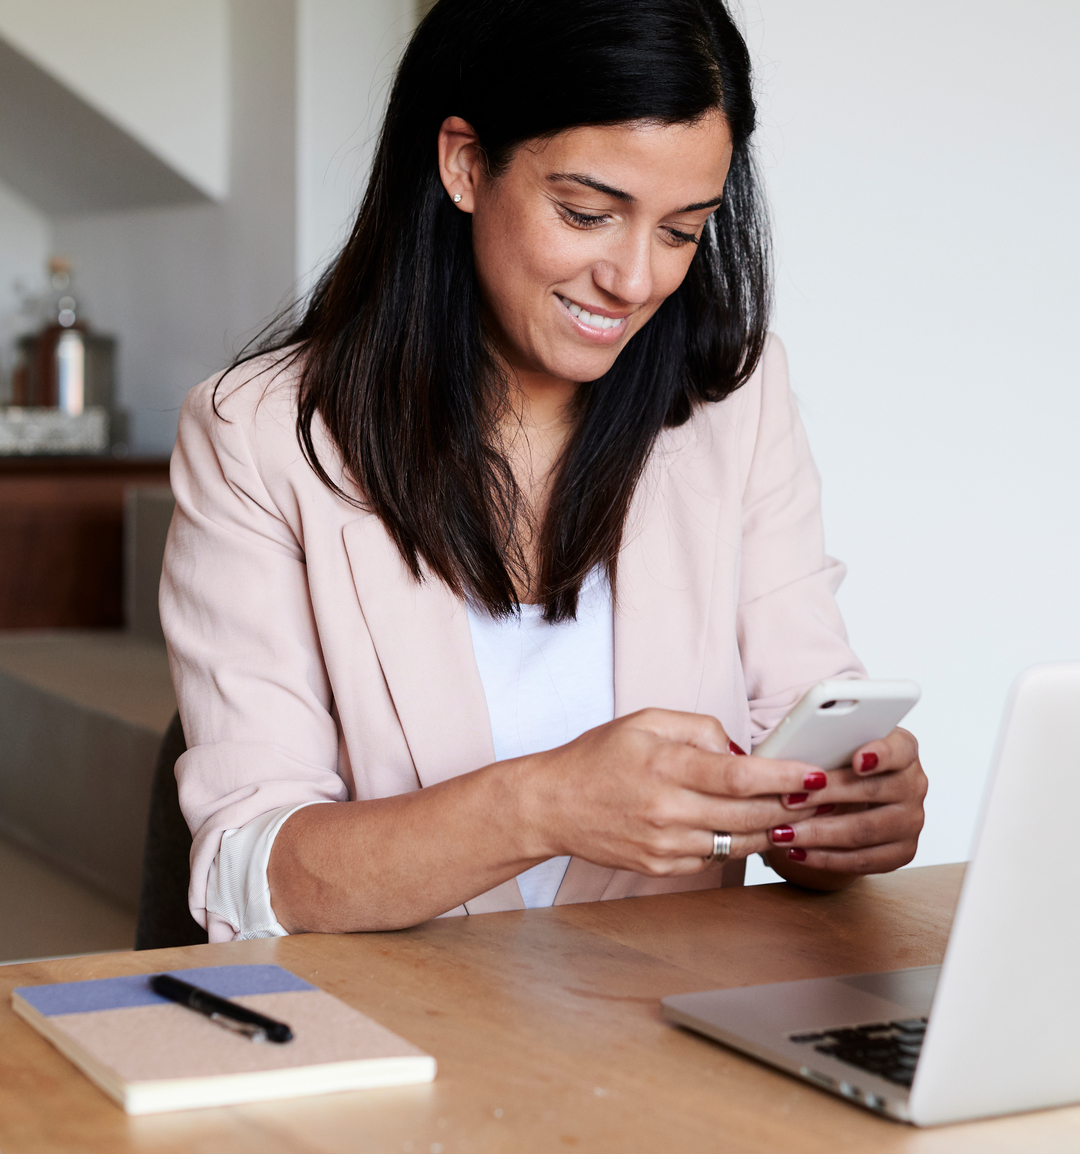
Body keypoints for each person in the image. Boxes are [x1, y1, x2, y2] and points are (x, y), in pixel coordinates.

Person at [161, 0, 927, 942]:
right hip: (406, 1017)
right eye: (588, 214)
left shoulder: (732, 396)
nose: (635, 280)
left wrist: (844, 817)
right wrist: (541, 806)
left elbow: (797, 734)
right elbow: (252, 880)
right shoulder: (259, 436)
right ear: (464, 163)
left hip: (673, 1011)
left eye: (682, 231)